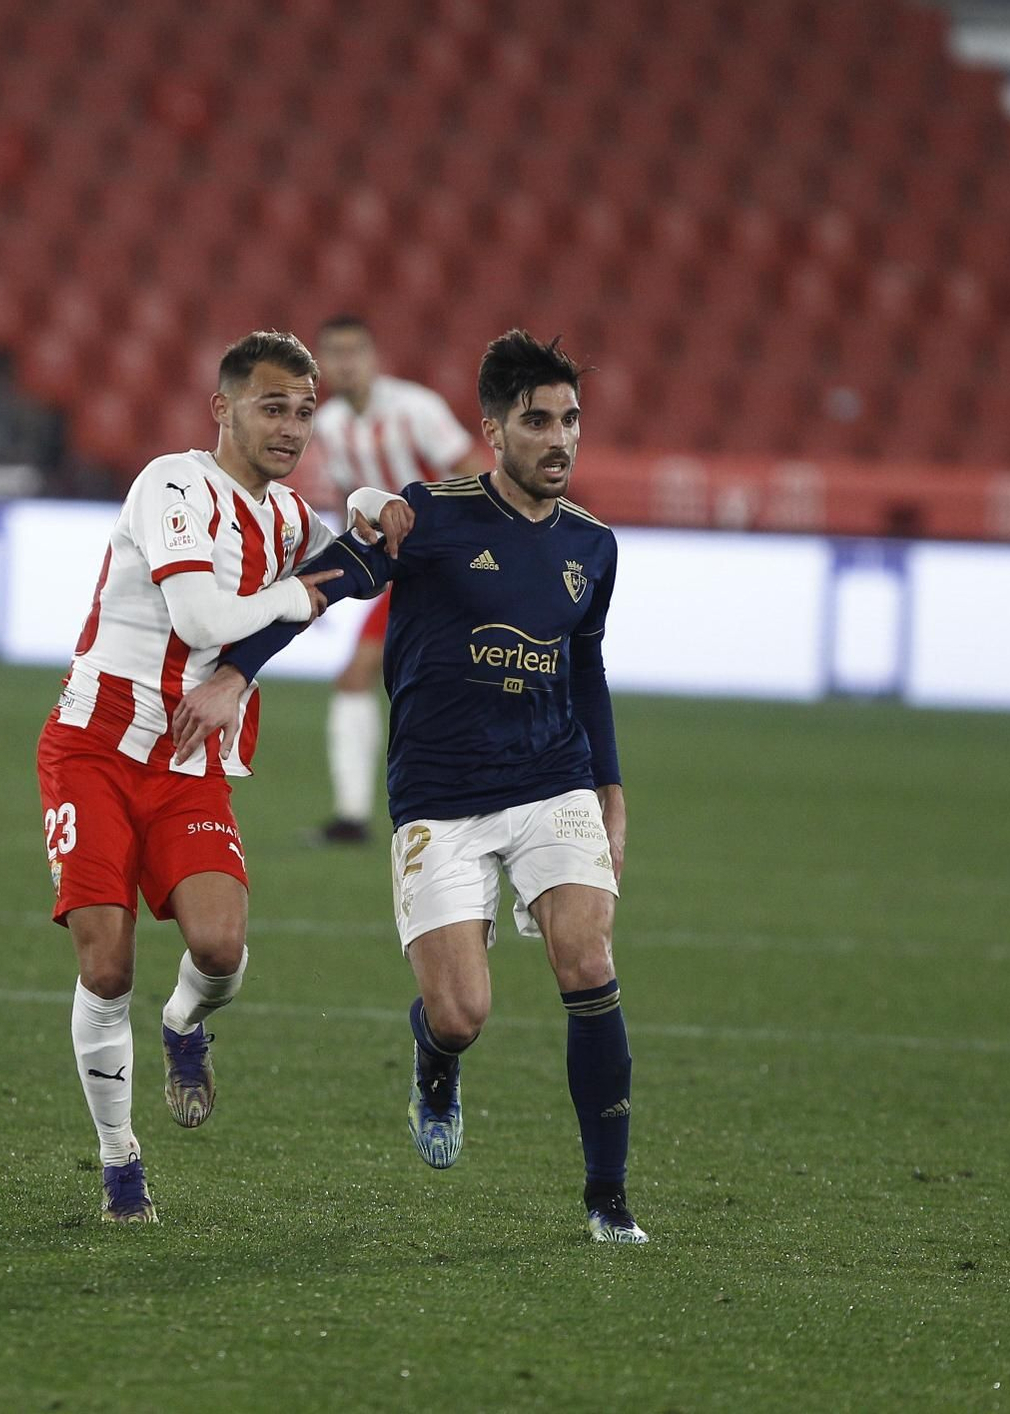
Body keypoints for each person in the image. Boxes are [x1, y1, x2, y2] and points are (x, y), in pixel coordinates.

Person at [177, 330, 646, 1243]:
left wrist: (611, 788)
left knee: (589, 963)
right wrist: (236, 671)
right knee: (462, 1013)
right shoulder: (426, 518)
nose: (560, 439)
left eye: (572, 420)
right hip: (440, 795)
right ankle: (436, 1058)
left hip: (555, 779)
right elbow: (330, 581)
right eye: (538, 420)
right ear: (493, 429)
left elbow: (586, 673)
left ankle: (608, 1199)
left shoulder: (594, 546)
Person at [36, 330, 342, 1224]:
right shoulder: (173, 483)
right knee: (107, 964)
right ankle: (119, 1160)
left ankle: (183, 1025)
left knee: (220, 950)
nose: (291, 428)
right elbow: (202, 609)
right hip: (92, 748)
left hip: (190, 767)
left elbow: (355, 561)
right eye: (272, 406)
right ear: (224, 407)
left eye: (304, 412)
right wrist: (301, 597)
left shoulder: (289, 520)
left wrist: (370, 509)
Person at [308, 315, 490, 844]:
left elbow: (472, 473)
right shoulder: (331, 423)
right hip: (399, 571)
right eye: (334, 353)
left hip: (442, 565)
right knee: (380, 680)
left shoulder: (416, 409)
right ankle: (358, 816)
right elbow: (354, 505)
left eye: (354, 351)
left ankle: (362, 816)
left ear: (373, 357)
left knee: (377, 677)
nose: (345, 363)